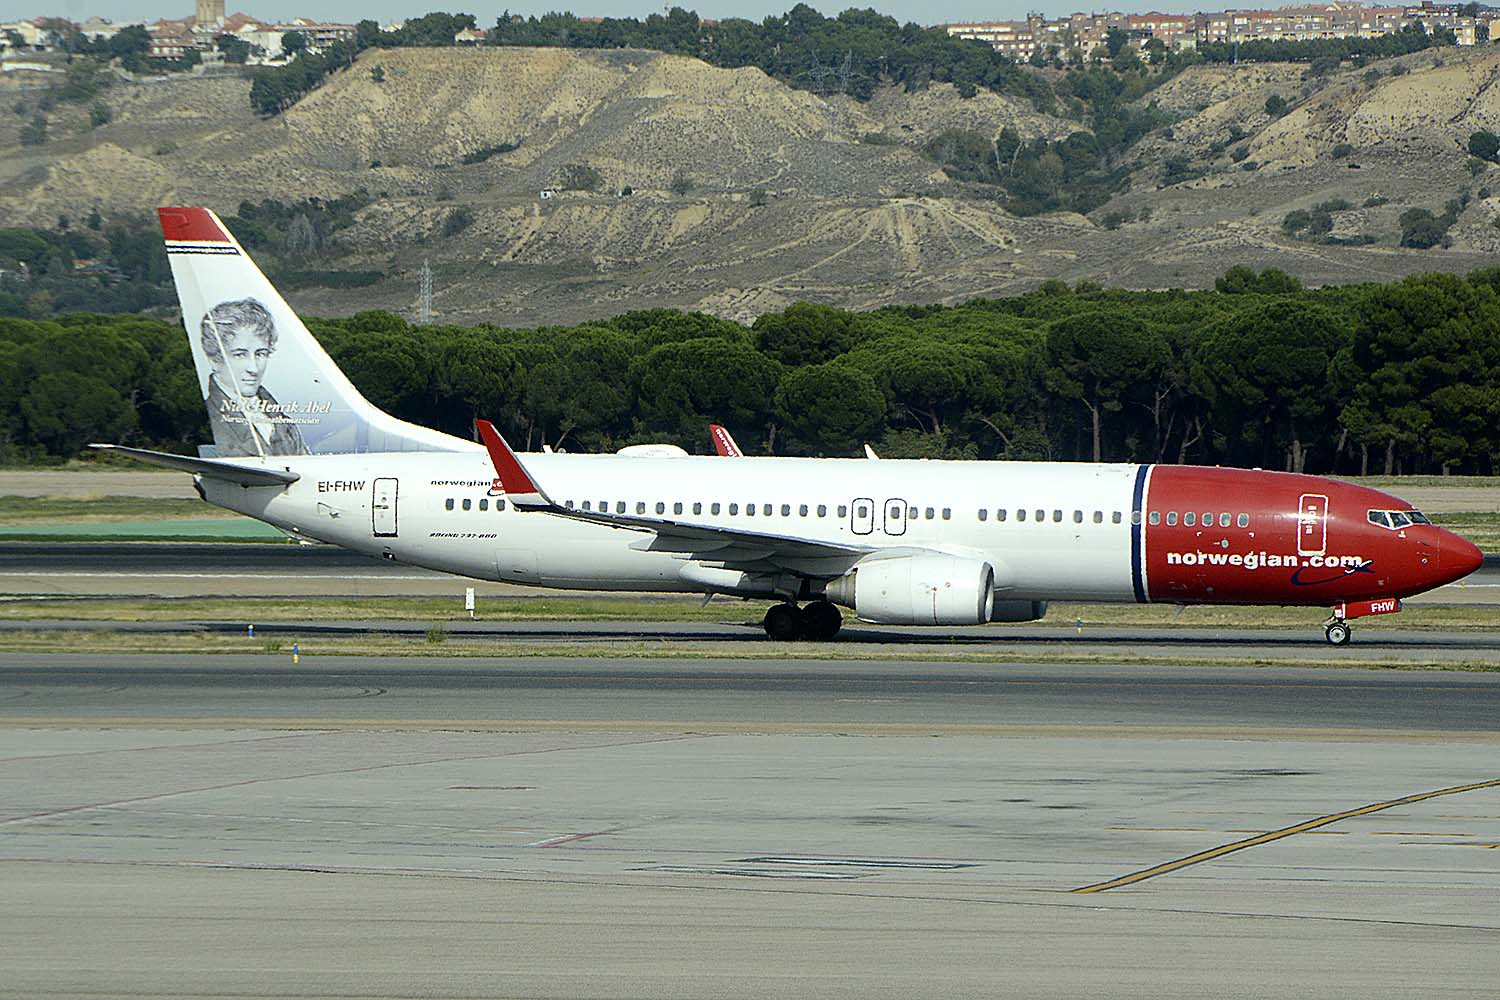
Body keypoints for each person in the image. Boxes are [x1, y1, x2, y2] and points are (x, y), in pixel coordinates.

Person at [200, 298, 308, 456]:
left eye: (261, 354)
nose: (254, 368)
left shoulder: (281, 418)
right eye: (240, 354)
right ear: (214, 359)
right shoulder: (210, 417)